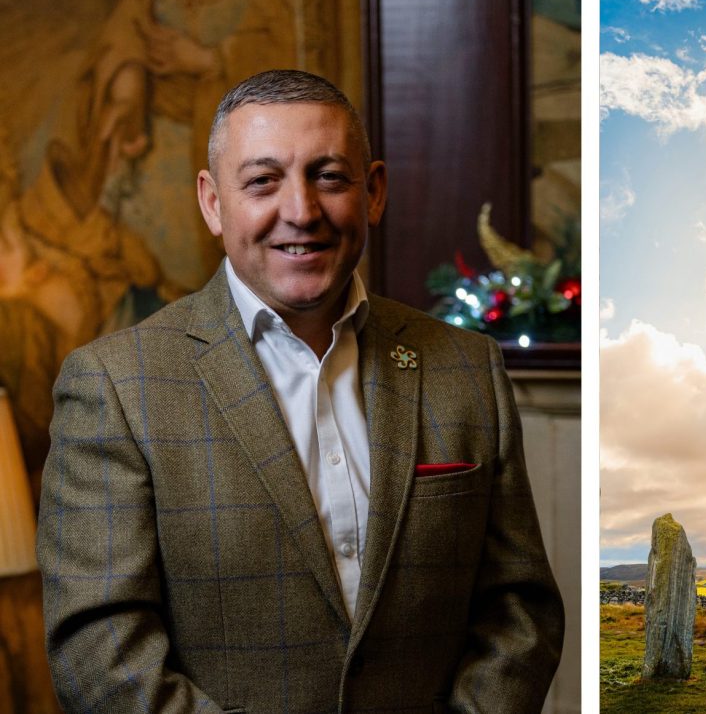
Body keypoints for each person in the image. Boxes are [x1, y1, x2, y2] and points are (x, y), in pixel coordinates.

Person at [36, 69, 564, 713]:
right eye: (262, 181)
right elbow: (99, 649)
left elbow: (520, 608)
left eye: (329, 176)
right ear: (212, 202)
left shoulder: (467, 366)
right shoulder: (115, 385)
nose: (301, 211)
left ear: (373, 191)